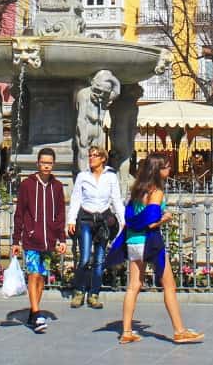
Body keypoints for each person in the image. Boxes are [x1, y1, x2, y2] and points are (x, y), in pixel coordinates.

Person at [105, 153, 204, 345]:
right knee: (169, 285)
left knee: (134, 285)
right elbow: (150, 222)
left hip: (133, 241)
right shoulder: (156, 191)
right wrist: (164, 218)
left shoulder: (138, 190)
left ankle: (126, 331)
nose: (169, 170)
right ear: (158, 170)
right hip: (149, 241)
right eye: (166, 167)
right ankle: (179, 330)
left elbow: (131, 217)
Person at [11, 147, 68, 333]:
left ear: (53, 165)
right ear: (37, 163)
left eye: (49, 163)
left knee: (42, 276)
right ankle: (36, 313)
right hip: (31, 238)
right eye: (43, 163)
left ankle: (33, 312)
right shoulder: (27, 185)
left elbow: (60, 214)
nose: (46, 166)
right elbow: (19, 213)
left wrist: (61, 238)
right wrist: (16, 240)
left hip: (49, 239)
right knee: (33, 274)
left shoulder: (57, 187)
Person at [67, 145, 124, 310]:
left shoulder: (111, 176)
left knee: (99, 259)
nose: (91, 158)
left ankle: (94, 294)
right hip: (86, 218)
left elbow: (116, 199)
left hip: (103, 220)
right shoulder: (83, 176)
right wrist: (71, 219)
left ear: (103, 159)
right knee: (84, 258)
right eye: (90, 155)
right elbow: (76, 198)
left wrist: (122, 221)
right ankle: (79, 291)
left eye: (95, 155)